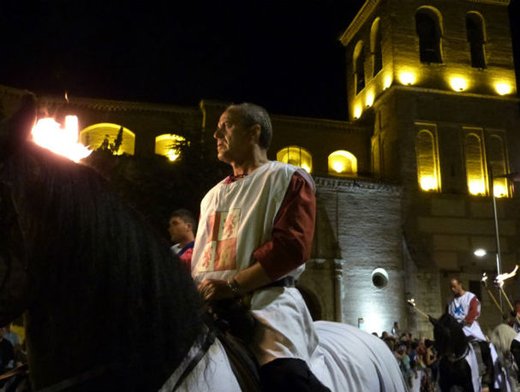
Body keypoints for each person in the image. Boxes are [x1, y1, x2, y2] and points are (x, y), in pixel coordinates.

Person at [191, 102, 329, 392]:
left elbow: (290, 248)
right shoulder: (210, 197)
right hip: (206, 310)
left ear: (254, 132)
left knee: (286, 379)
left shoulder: (288, 178)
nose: (216, 134)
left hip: (266, 306)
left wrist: (231, 287)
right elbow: (201, 257)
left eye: (225, 126)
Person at [446, 278, 494, 385]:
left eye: (454, 286)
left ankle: (487, 370)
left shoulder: (470, 297)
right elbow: (447, 316)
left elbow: (474, 311)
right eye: (451, 287)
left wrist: (464, 321)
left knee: (484, 345)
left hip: (469, 327)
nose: (452, 289)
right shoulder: (450, 301)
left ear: (460, 284)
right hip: (455, 329)